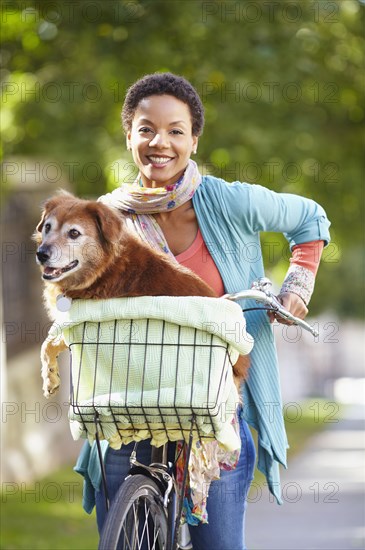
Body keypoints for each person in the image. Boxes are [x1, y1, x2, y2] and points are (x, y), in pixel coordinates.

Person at [75, 72, 331, 550]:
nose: (160, 143)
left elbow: (310, 219)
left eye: (176, 130)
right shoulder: (105, 218)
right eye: (146, 128)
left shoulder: (228, 201)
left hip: (214, 414)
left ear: (194, 139)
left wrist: (297, 284)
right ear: (129, 134)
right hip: (130, 410)